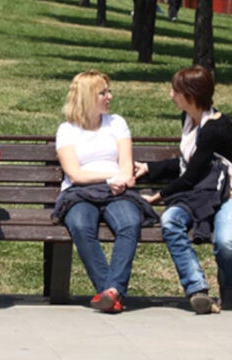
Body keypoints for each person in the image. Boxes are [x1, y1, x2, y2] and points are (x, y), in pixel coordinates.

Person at [134, 66, 232, 314]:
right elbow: (188, 163)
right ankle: (197, 289)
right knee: (171, 220)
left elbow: (192, 175)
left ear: (191, 95)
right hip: (199, 195)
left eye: (176, 90)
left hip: (229, 195)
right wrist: (149, 168)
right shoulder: (189, 121)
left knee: (226, 242)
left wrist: (157, 196)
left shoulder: (216, 128)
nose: (171, 95)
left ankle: (229, 293)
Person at [53, 70, 152, 314]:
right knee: (80, 225)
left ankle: (110, 292)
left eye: (109, 91)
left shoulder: (116, 123)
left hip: (117, 191)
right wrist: (109, 177)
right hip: (79, 193)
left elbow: (127, 165)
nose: (110, 96)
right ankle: (111, 291)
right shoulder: (67, 130)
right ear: (88, 97)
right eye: (103, 92)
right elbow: (75, 174)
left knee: (129, 222)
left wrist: (120, 179)